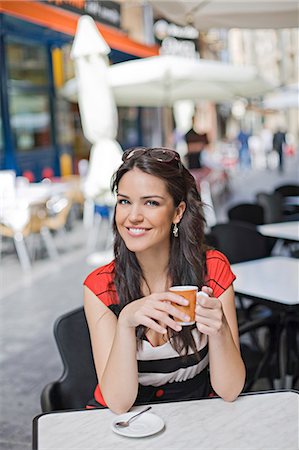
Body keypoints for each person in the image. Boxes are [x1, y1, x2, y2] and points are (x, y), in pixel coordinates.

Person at [84, 146, 246, 414]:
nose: (132, 216)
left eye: (151, 202)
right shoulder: (101, 287)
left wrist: (220, 330)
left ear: (178, 212)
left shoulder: (213, 271)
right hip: (124, 425)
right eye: (124, 201)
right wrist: (126, 322)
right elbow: (118, 403)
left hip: (195, 417)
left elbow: (230, 390)